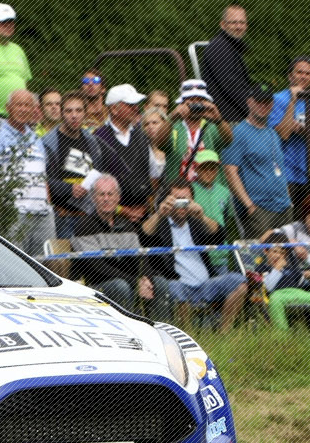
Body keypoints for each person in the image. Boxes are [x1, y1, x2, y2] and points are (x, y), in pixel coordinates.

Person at [142, 178, 250, 328]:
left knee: (239, 281)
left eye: (186, 200)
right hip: (178, 284)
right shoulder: (160, 223)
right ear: (168, 200)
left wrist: (202, 216)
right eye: (177, 199)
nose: (181, 205)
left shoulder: (196, 222)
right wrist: (159, 213)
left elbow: (219, 237)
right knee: (175, 288)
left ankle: (224, 332)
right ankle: (188, 333)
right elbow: (143, 237)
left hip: (206, 285)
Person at [72, 175, 170, 317]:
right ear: (93, 198)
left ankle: (161, 327)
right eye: (101, 194)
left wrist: (146, 278)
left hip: (127, 280)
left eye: (110, 194)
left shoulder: (126, 225)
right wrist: (135, 282)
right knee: (121, 287)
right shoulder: (84, 226)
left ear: (118, 198)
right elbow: (96, 267)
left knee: (159, 283)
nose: (106, 199)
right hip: (97, 284)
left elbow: (140, 258)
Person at [0, 89, 53, 256]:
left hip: (42, 214)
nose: (23, 109)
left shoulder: (36, 139)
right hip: (15, 214)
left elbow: (42, 177)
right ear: (8, 108)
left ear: (33, 109)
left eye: (27, 105)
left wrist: (48, 205)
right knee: (16, 262)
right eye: (18, 105)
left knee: (47, 263)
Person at [221, 85, 292, 237]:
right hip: (259, 210)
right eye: (258, 101)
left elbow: (279, 168)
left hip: (284, 207)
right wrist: (249, 206)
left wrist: (288, 200)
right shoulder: (239, 132)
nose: (263, 105)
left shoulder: (272, 133)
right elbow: (230, 171)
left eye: (267, 102)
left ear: (272, 104)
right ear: (249, 102)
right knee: (262, 252)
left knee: (285, 251)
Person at [268, 56, 310, 206]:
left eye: (308, 74)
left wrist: (302, 130)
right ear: (290, 76)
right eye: (299, 72)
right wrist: (293, 101)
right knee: (286, 217)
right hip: (283, 172)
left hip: (308, 172)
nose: (304, 76)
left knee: (305, 217)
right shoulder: (277, 99)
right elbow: (283, 134)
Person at [44, 91, 101, 237]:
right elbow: (41, 180)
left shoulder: (92, 141)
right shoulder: (47, 143)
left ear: (85, 113)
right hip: (63, 218)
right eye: (69, 111)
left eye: (79, 110)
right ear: (61, 113)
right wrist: (68, 189)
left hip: (89, 217)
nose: (74, 115)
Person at [92, 83, 151, 220]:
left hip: (144, 214)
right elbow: (93, 183)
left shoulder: (142, 135)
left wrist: (147, 204)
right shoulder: (98, 138)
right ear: (114, 109)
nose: (136, 108)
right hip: (110, 218)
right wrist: (122, 210)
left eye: (136, 104)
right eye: (130, 105)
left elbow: (152, 173)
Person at [161, 79, 230, 189]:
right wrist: (172, 117)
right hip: (181, 191)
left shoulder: (212, 126)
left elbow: (228, 140)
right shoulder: (173, 127)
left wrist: (219, 120)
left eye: (200, 100)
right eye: (191, 100)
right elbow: (159, 142)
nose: (195, 105)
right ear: (182, 103)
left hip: (210, 191)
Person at [199, 4, 253, 122]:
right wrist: (255, 111)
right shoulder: (219, 48)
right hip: (226, 121)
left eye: (242, 23)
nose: (238, 26)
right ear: (223, 25)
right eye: (233, 23)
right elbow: (232, 87)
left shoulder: (230, 47)